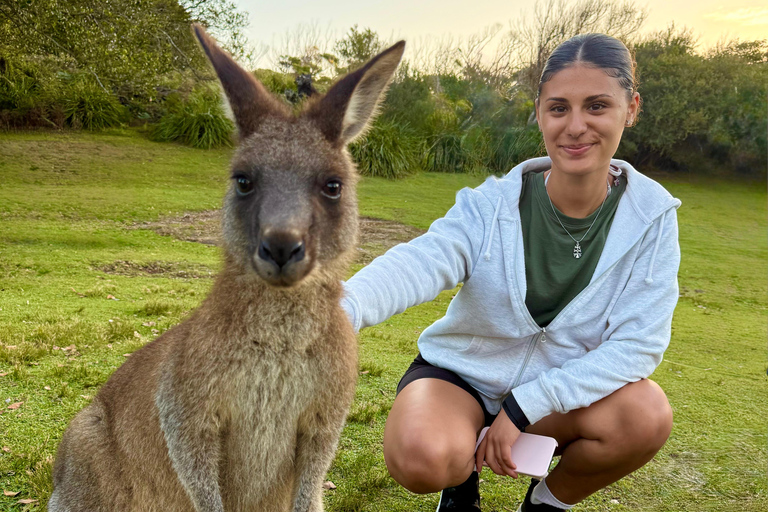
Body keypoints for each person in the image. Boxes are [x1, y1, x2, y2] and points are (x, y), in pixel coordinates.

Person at [341, 33, 680, 512]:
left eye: (597, 106)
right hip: (463, 381)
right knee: (420, 455)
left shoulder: (653, 218)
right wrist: (342, 307)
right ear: (539, 112)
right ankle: (457, 484)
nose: (576, 126)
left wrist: (525, 407)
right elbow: (423, 259)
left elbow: (638, 345)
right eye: (558, 108)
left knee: (647, 416)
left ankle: (545, 504)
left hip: (558, 398)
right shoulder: (491, 205)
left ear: (632, 108)